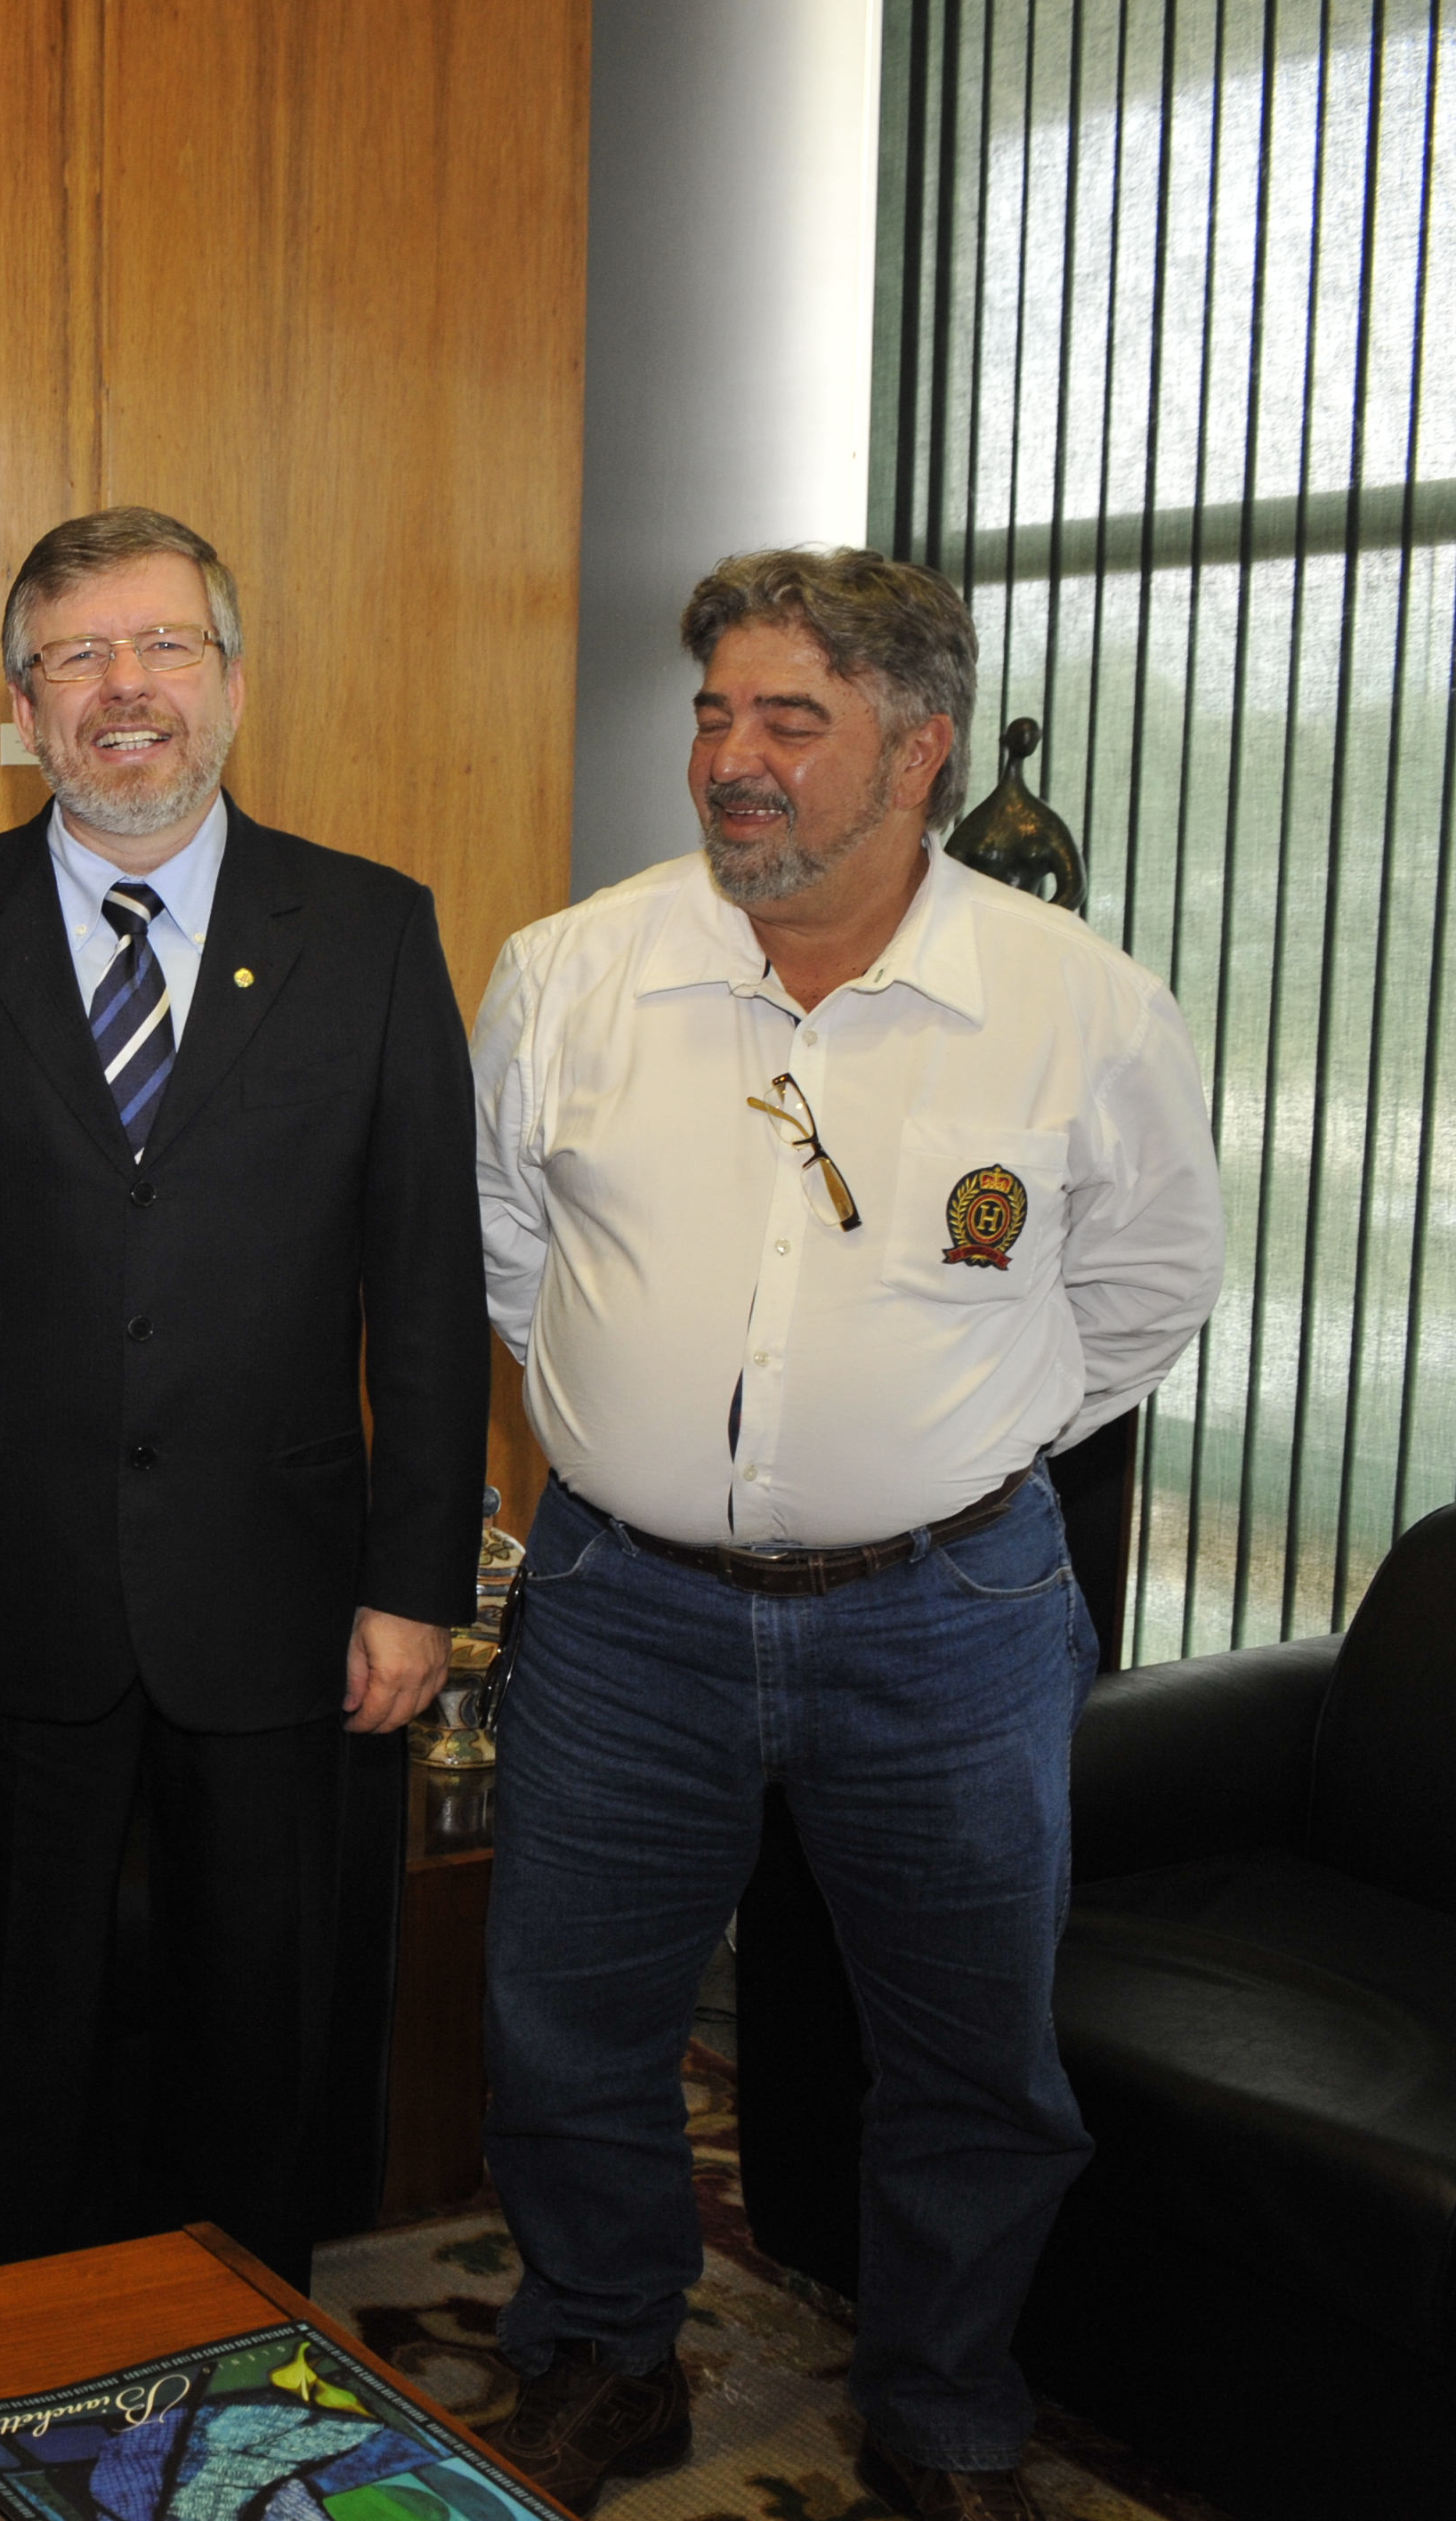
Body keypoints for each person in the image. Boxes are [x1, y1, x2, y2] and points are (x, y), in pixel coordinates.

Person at [469, 549, 1221, 2521]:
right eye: (714, 712)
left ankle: (947, 2409)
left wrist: (946, 1449)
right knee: (572, 2021)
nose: (732, 758)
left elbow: (1144, 1286)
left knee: (973, 2060)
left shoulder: (1076, 1010)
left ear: (918, 748)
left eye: (787, 720)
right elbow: (507, 1258)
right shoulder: (569, 972)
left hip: (950, 1618)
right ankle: (604, 2348)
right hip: (624, 1612)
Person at [0, 508, 488, 2285]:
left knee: (259, 2035)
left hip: (281, 1592)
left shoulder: (365, 931)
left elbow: (422, 1281)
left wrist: (414, 1580)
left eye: (162, 649)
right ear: (21, 707)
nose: (125, 692)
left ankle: (247, 2359)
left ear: (232, 681)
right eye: (76, 658)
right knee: (4, 2034)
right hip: (1, 1582)